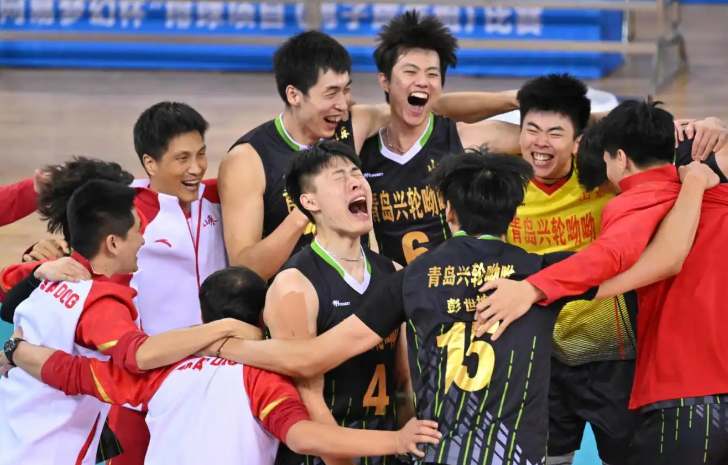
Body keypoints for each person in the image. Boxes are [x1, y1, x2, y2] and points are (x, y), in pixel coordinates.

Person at [187, 147, 702, 465]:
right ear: (513, 213)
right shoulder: (544, 275)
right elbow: (667, 258)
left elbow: (310, 358)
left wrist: (221, 343)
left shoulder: (409, 277)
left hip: (438, 452)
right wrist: (696, 182)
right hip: (517, 456)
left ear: (449, 212)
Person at [473, 98, 728, 465]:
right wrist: (707, 127)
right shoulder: (712, 187)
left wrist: (533, 288)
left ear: (620, 158)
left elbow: (611, 254)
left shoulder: (639, 198)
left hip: (685, 396)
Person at [3, 266, 442, 465]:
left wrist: (15, 351)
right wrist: (396, 440)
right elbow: (304, 437)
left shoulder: (162, 372)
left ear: (203, 314)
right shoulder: (262, 376)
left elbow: (75, 374)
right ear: (262, 316)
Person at [5, 102, 229, 465]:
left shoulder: (224, 197)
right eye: (182, 157)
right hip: (140, 384)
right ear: (150, 163)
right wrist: (38, 266)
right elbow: (73, 268)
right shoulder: (126, 212)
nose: (196, 167)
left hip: (208, 377)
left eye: (201, 154)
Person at [219, 29, 519, 281]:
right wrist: (307, 209)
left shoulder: (352, 124)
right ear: (294, 94)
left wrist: (511, 100)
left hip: (361, 297)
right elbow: (243, 271)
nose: (343, 104)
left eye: (346, 90)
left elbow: (428, 104)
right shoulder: (248, 160)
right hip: (294, 302)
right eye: (331, 93)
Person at [265, 140, 410, 465]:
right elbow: (309, 400)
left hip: (384, 451)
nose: (356, 182)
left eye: (357, 173)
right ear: (309, 201)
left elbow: (405, 381)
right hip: (323, 458)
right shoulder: (294, 285)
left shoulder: (394, 272)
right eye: (339, 177)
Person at [360, 10, 521, 266]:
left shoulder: (461, 138)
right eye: (410, 71)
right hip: (392, 285)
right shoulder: (362, 148)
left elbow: (542, 138)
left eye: (432, 74)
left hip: (456, 283)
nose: (422, 82)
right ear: (385, 81)